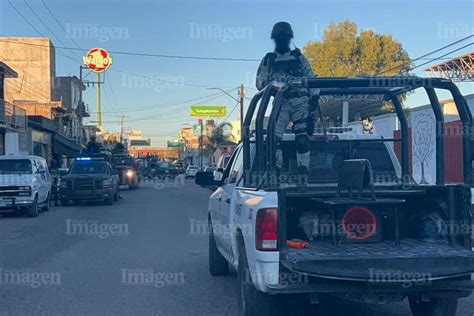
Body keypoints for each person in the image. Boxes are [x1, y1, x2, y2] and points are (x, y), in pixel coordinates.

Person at [256, 21, 319, 183]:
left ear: (290, 38)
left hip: (301, 103)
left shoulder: (299, 57)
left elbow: (312, 79)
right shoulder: (269, 60)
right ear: (274, 39)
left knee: (302, 138)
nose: (282, 40)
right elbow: (260, 83)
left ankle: (303, 171)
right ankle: (276, 169)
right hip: (281, 103)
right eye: (279, 37)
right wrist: (275, 86)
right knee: (272, 140)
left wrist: (314, 99)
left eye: (285, 37)